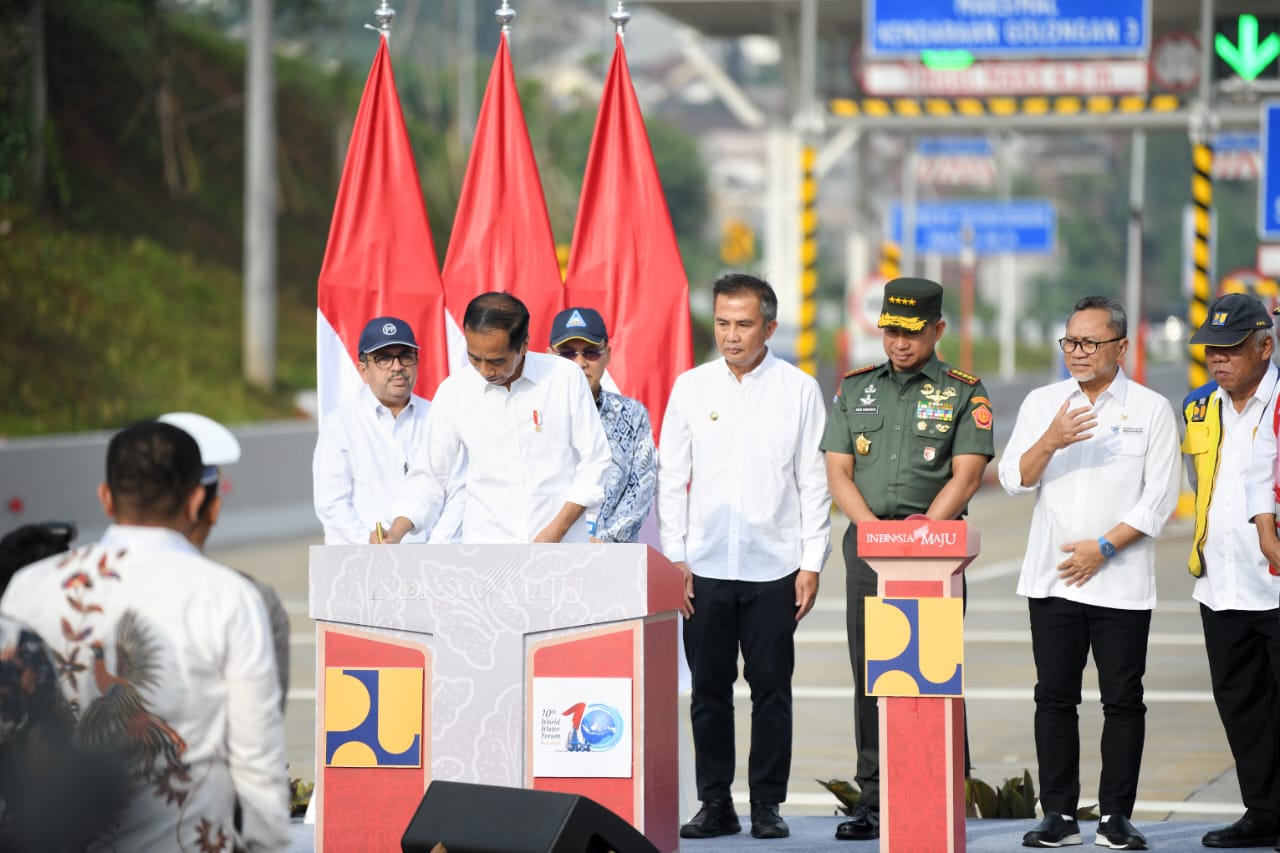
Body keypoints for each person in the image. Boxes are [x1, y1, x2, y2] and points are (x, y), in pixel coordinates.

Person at [0, 420, 290, 851]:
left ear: (105, 496)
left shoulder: (28, 587)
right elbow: (257, 766)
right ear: (197, 500)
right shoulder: (229, 597)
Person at [999, 296, 1179, 850]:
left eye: (1089, 343)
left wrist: (1103, 547)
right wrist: (1050, 439)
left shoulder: (1150, 409)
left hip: (1120, 582)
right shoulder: (1042, 402)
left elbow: (1161, 500)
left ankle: (1116, 817)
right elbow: (1012, 478)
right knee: (1054, 697)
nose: (1077, 352)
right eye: (1070, 341)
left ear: (1120, 347)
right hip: (1052, 580)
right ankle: (1058, 814)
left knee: (1123, 699)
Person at [819, 276, 994, 841]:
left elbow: (967, 475)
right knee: (871, 674)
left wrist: (920, 538)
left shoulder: (964, 391)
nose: (899, 342)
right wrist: (876, 536)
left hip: (934, 555)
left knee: (930, 673)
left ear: (938, 330)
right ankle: (872, 800)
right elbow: (839, 472)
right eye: (891, 330)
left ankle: (943, 786)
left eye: (912, 332)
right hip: (870, 550)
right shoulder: (855, 389)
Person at [658, 273, 830, 840]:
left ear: (770, 327)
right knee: (708, 693)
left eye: (744, 324)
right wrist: (675, 559)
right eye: (723, 323)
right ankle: (715, 804)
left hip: (773, 567)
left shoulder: (799, 390)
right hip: (703, 569)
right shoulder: (690, 388)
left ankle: (766, 806)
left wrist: (811, 562)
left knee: (771, 693)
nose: (731, 336)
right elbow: (672, 477)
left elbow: (813, 481)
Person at [384, 292, 611, 544]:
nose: (485, 370)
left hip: (562, 547)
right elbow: (429, 476)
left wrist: (555, 532)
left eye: (496, 361)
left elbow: (595, 462)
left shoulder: (564, 377)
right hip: (487, 551)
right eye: (474, 358)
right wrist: (396, 530)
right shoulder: (454, 391)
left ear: (524, 345)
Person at [1183, 294, 1280, 849]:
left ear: (1264, 347)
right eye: (1210, 351)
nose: (1217, 360)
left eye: (1230, 349)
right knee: (1242, 706)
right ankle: (1263, 811)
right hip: (1221, 583)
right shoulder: (1199, 406)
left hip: (1274, 579)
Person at [158, 411, 292, 711]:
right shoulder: (250, 601)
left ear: (109, 499)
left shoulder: (49, 587)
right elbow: (260, 731)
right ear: (209, 507)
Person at [313, 316, 464, 544]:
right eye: (383, 359)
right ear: (363, 369)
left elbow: (458, 490)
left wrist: (437, 547)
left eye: (405, 356)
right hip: (362, 558)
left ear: (417, 361)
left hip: (433, 557)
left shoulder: (439, 416)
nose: (397, 366)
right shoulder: (339, 424)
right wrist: (371, 543)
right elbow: (331, 503)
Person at [548, 306, 656, 543]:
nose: (580, 362)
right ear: (549, 357)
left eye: (590, 352)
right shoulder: (536, 414)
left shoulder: (632, 414)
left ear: (607, 354)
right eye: (567, 353)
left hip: (612, 557)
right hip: (547, 549)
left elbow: (641, 487)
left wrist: (606, 541)